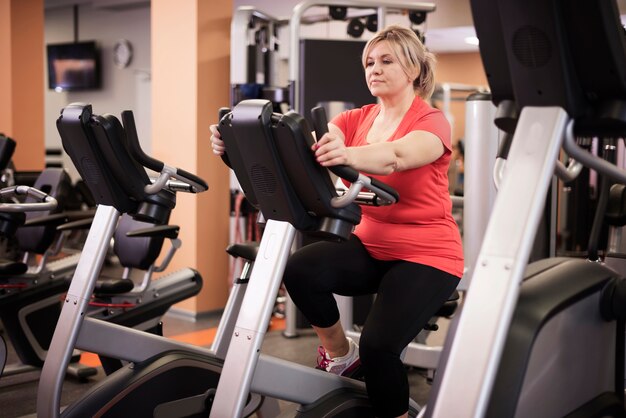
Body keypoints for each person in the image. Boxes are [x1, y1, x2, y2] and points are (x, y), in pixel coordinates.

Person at [210, 24, 463, 418]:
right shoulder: (352, 119)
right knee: (300, 271)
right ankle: (341, 355)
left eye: (385, 60)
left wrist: (345, 155)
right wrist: (237, 147)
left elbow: (396, 156)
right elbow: (300, 155)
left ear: (412, 69)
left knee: (380, 347)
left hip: (427, 255)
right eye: (368, 62)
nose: (373, 69)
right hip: (372, 245)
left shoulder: (431, 121)